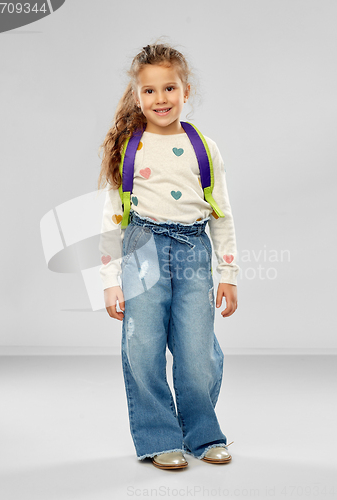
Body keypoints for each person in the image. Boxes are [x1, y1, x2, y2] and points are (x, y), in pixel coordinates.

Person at [98, 42, 239, 470]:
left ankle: (202, 432)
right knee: (142, 346)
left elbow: (222, 212)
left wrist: (228, 273)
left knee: (198, 350)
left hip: (194, 250)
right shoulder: (129, 148)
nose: (161, 99)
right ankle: (160, 437)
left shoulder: (203, 146)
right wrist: (109, 281)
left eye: (170, 88)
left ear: (186, 90)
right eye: (150, 91)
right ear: (137, 96)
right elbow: (111, 218)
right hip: (142, 247)